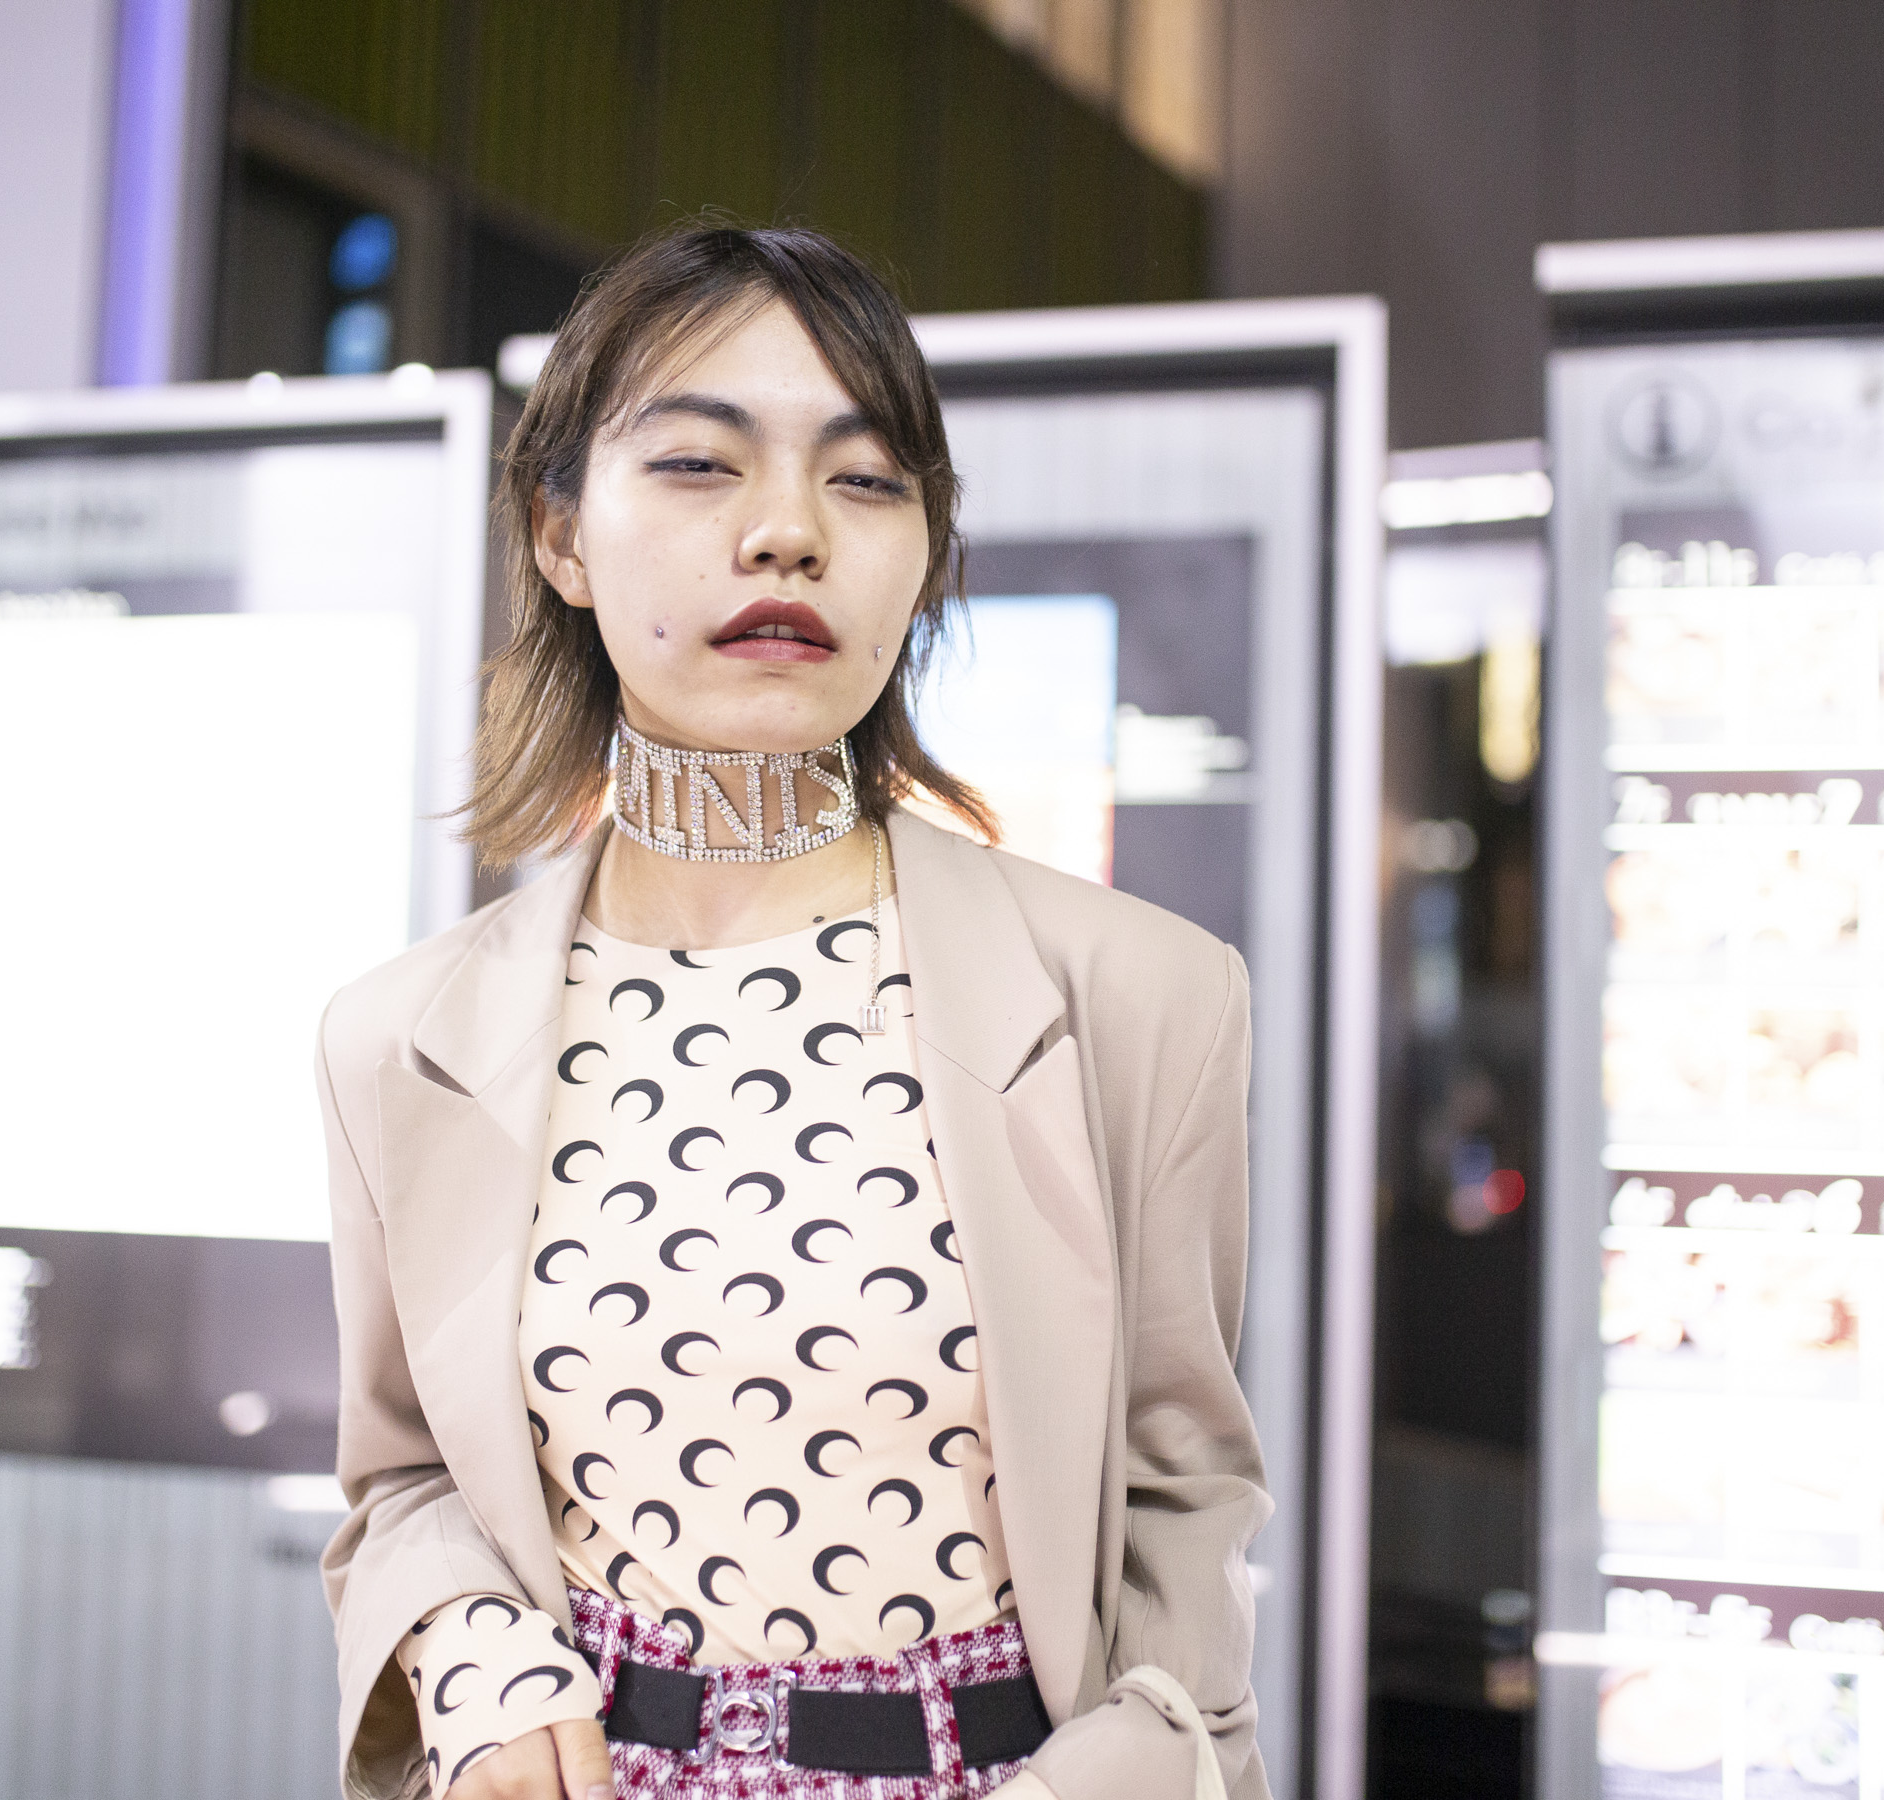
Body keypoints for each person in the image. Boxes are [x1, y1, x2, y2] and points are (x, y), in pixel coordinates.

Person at [313, 222, 1269, 1800]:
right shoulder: (398, 1041)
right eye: (699, 466)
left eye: (867, 479)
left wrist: (1132, 1758)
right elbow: (406, 1476)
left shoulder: (1142, 994)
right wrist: (468, 1648)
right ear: (560, 534)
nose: (787, 534)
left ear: (926, 552)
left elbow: (1188, 1496)